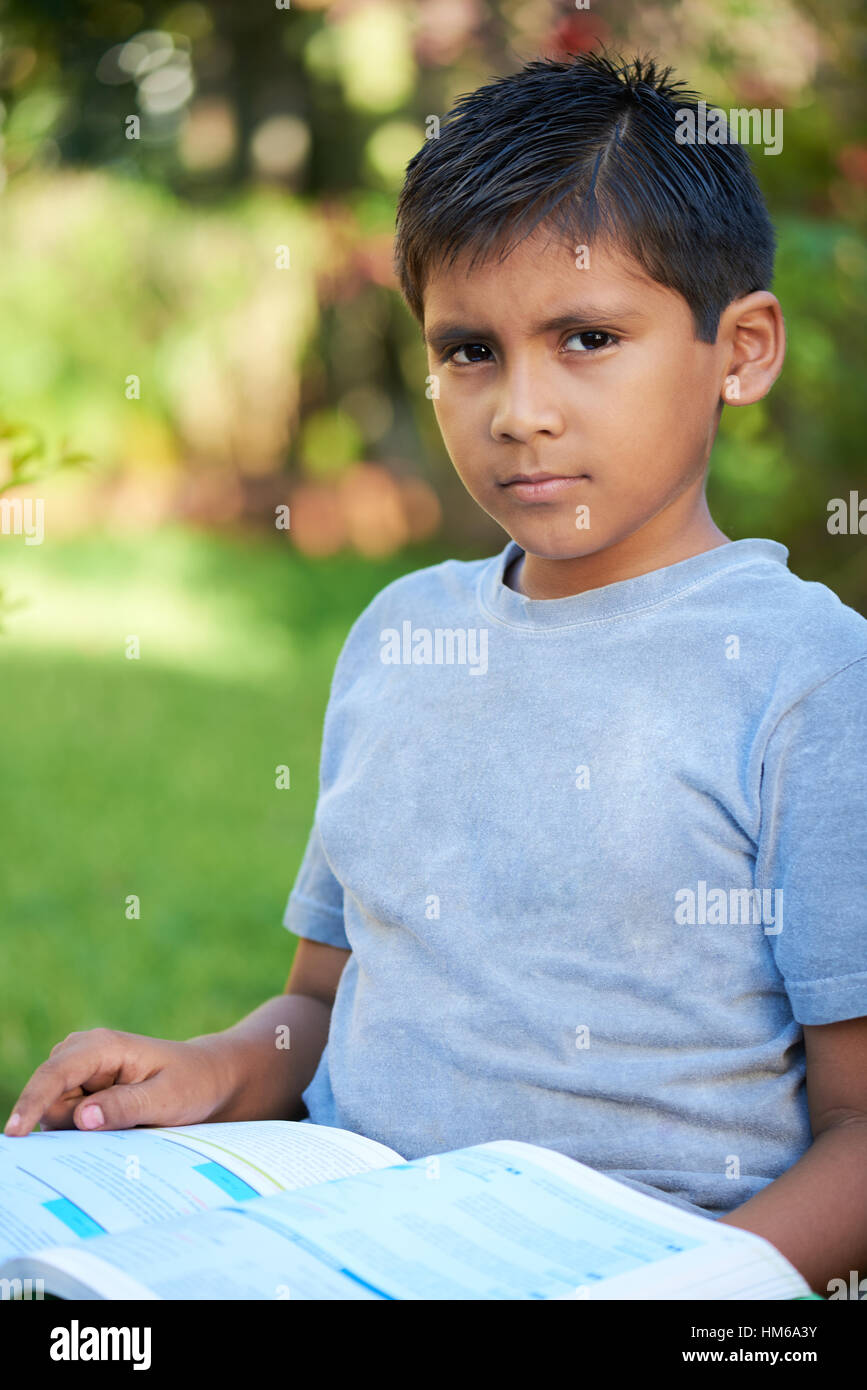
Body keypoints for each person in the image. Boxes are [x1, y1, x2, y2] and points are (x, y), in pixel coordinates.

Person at [5, 51, 867, 1296]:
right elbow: (325, 1000)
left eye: (586, 338)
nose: (520, 409)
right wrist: (213, 1066)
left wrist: (705, 1286)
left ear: (740, 349)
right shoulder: (402, 634)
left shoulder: (810, 675)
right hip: (338, 1217)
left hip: (644, 1258)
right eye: (470, 350)